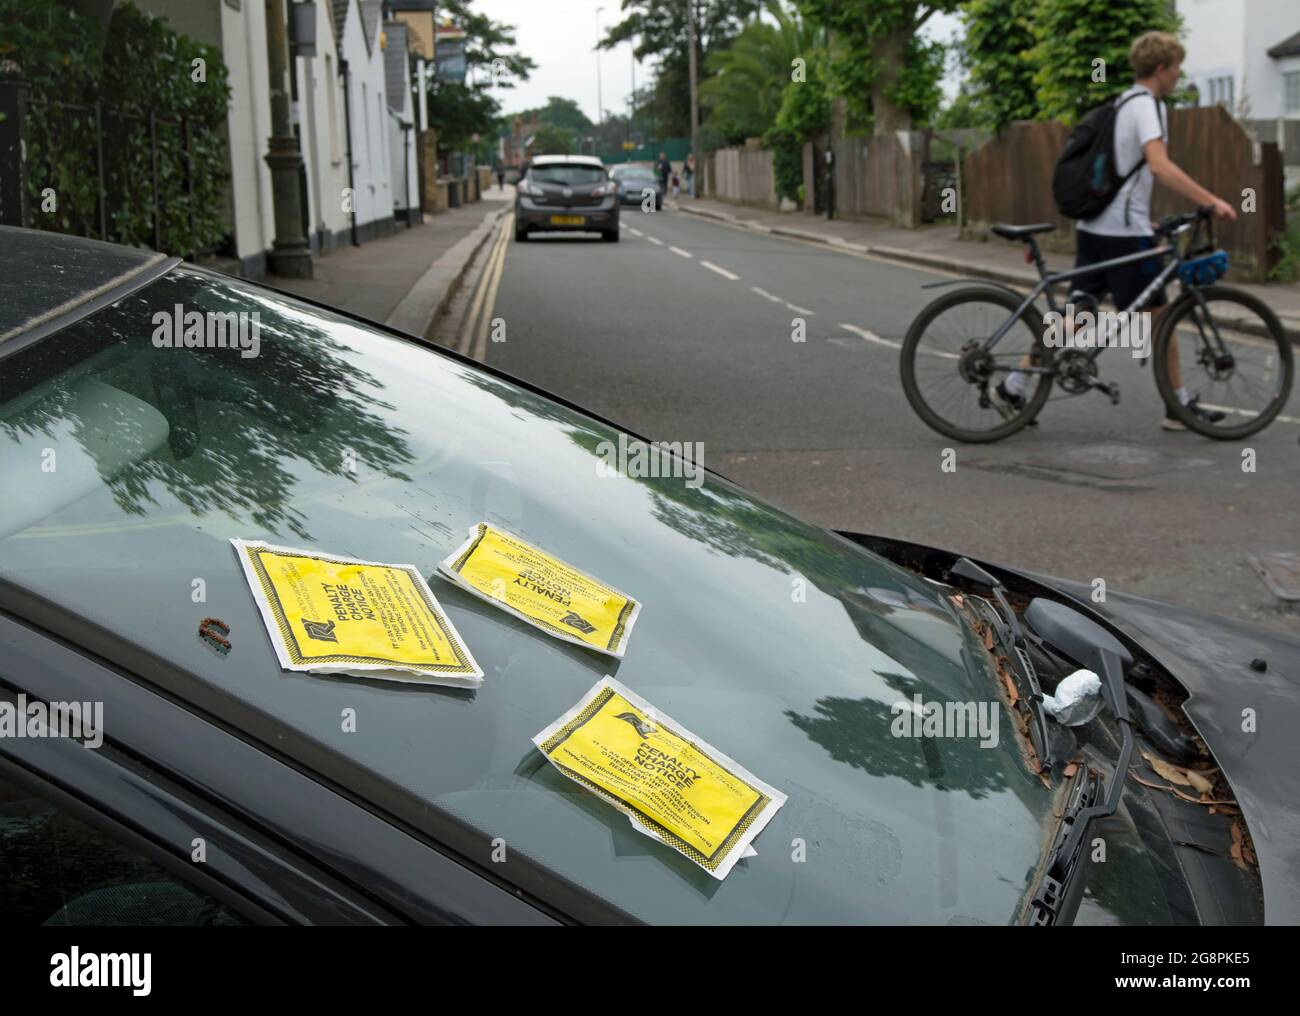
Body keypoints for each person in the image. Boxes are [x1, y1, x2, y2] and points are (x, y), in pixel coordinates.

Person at [995, 31, 1237, 431]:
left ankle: (1015, 385)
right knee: (1162, 318)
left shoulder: (1123, 102)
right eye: (1176, 66)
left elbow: (1124, 173)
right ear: (1161, 68)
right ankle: (1177, 407)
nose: (1179, 74)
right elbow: (1158, 166)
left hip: (1097, 227)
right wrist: (1210, 200)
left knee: (1078, 312)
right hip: (1122, 233)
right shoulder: (1147, 107)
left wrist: (1148, 221)